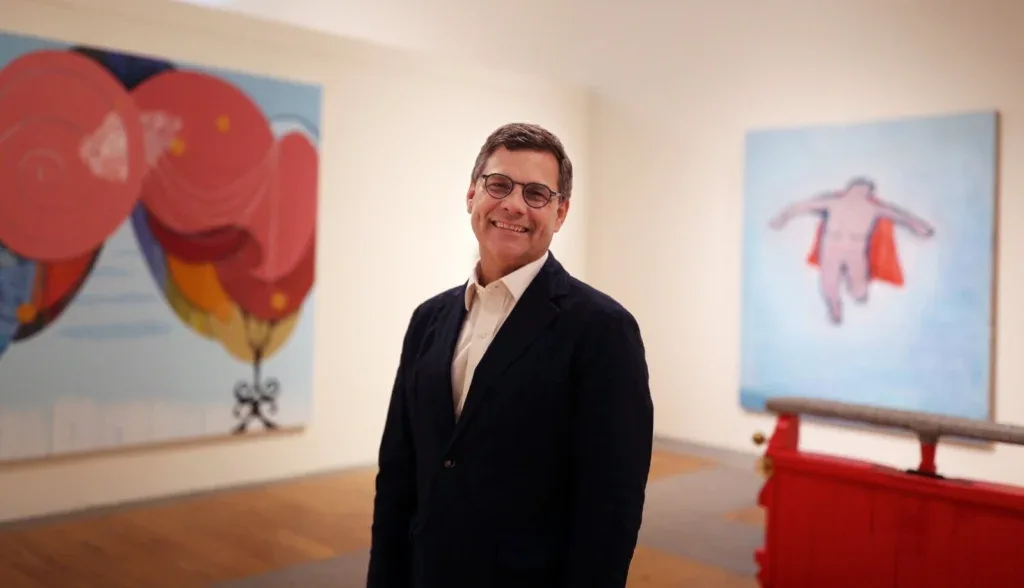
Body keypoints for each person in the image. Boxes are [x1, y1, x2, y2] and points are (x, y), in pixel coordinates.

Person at [366, 123, 654, 588]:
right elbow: (398, 476)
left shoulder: (603, 330)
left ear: (560, 213)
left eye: (537, 194)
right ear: (471, 195)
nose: (514, 205)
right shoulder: (428, 319)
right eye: (499, 184)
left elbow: (611, 506)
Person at [769, 176, 935, 325]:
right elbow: (800, 207)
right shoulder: (832, 202)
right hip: (831, 249)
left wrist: (921, 227)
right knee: (829, 284)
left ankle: (857, 295)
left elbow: (902, 217)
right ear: (848, 189)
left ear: (869, 193)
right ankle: (834, 307)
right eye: (856, 188)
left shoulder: (874, 208)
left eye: (863, 189)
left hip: (856, 252)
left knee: (858, 292)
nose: (858, 192)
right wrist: (782, 218)